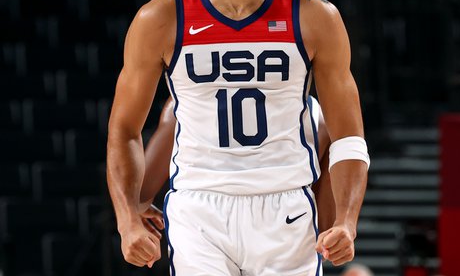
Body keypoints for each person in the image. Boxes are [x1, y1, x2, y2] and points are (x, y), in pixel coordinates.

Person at [106, 0, 369, 276]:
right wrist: (127, 221)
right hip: (199, 208)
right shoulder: (161, 17)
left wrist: (348, 221)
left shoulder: (315, 16)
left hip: (286, 207)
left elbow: (349, 136)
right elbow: (123, 131)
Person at [138, 95, 336, 233]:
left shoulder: (185, 101)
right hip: (280, 223)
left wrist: (132, 216)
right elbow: (325, 229)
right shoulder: (317, 116)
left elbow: (141, 193)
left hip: (205, 221)